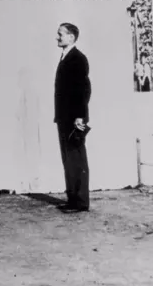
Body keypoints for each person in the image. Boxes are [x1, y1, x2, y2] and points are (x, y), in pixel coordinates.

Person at [54, 23, 91, 213]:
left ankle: (81, 202)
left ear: (71, 37)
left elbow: (83, 90)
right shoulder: (66, 57)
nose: (57, 37)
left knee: (76, 159)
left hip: (74, 119)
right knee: (68, 160)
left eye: (60, 34)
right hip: (64, 117)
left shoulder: (78, 59)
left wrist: (80, 117)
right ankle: (73, 200)